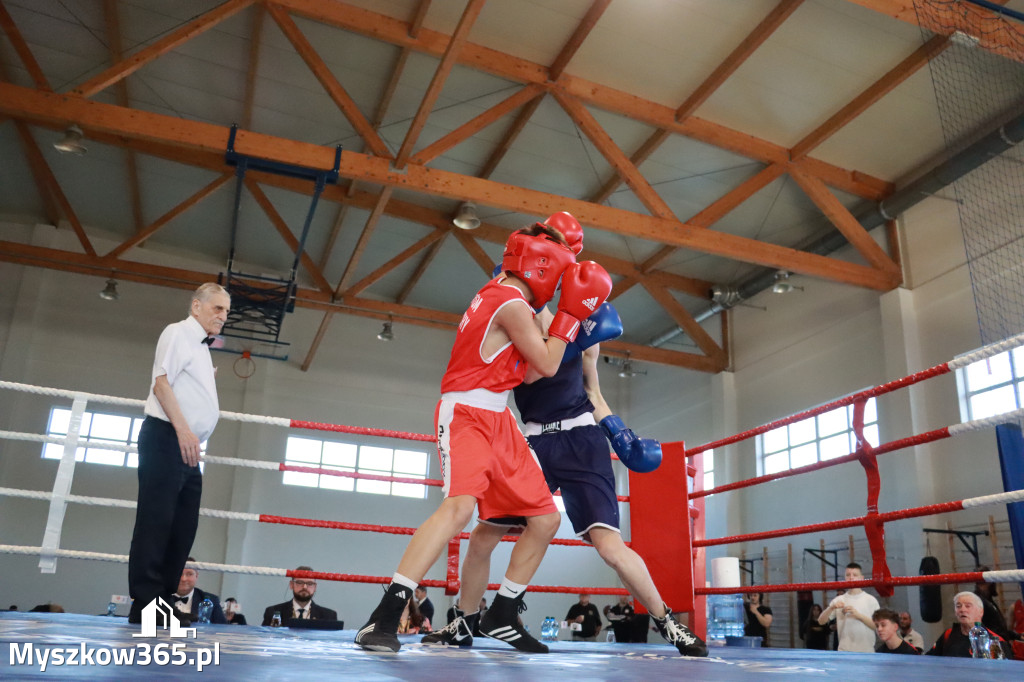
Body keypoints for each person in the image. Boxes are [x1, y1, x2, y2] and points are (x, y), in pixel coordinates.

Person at [421, 213, 706, 657]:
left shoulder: (584, 326)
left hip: (581, 438)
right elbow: (532, 374)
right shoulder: (515, 312)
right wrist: (566, 327)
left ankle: (667, 623)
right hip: (531, 441)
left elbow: (593, 390)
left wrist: (619, 435)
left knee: (610, 546)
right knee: (483, 534)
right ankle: (465, 622)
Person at [356, 222, 611, 654]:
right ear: (543, 266)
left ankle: (503, 612)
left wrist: (558, 328)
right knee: (459, 510)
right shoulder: (510, 302)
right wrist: (570, 316)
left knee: (546, 518)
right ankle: (382, 617)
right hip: (467, 413)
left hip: (499, 417)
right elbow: (548, 367)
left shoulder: (504, 294)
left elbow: (530, 370)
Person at [128, 283, 230, 626]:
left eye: (227, 311)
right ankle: (145, 603)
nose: (223, 316)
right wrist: (185, 430)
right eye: (217, 308)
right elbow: (161, 382)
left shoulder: (202, 348)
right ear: (196, 306)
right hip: (167, 437)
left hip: (188, 446)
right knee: (156, 521)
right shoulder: (178, 332)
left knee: (183, 525)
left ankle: (161, 600)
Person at [926, 591, 1012, 658]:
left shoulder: (995, 641)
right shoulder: (948, 635)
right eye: (958, 606)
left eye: (968, 606)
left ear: (980, 612)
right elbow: (929, 659)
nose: (962, 610)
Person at [818, 563, 880, 652]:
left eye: (855, 575)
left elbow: (877, 626)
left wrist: (858, 615)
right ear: (845, 578)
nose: (851, 578)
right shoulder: (839, 600)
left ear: (861, 578)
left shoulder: (871, 600)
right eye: (848, 575)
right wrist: (831, 608)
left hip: (866, 652)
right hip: (844, 652)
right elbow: (821, 621)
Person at [262, 567, 338, 626]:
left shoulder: (329, 616)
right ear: (291, 585)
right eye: (299, 582)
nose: (304, 587)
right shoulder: (273, 612)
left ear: (315, 587)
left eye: (309, 583)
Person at [172, 558, 227, 624]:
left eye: (189, 574)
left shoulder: (211, 601)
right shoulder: (158, 598)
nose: (183, 579)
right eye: (179, 573)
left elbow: (223, 629)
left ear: (196, 576)